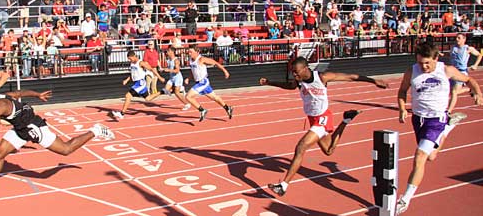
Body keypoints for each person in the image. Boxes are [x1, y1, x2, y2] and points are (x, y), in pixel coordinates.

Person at [262, 57, 389, 196]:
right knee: (328, 151)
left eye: (296, 72)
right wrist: (270, 82)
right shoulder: (299, 81)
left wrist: (373, 81)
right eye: (293, 72)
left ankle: (283, 185)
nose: (294, 75)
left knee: (301, 147)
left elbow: (351, 77)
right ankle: (346, 119)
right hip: (313, 119)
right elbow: (290, 86)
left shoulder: (322, 77)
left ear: (305, 68)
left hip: (323, 118)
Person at [0, 90, 114, 198]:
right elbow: (18, 94)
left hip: (32, 126)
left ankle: (96, 130)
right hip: (20, 128)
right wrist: (37, 95)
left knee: (66, 149)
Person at [395, 42, 482, 214]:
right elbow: (402, 91)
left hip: (436, 119)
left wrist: (477, 92)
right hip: (418, 119)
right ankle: (449, 127)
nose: (424, 66)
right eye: (420, 62)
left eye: (427, 63)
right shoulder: (412, 71)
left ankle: (405, 199)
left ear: (436, 58)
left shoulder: (446, 70)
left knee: (419, 156)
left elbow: (469, 80)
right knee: (431, 156)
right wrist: (402, 108)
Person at [184, 45, 233, 122]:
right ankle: (227, 108)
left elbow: (215, 63)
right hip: (199, 82)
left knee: (188, 96)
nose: (189, 53)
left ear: (197, 52)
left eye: (191, 52)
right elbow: (193, 71)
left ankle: (202, 110)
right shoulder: (191, 60)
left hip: (203, 82)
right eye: (188, 52)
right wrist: (188, 78)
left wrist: (225, 71)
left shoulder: (201, 59)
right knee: (215, 98)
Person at [110, 51, 165, 119]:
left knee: (128, 95)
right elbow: (132, 74)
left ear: (134, 56)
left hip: (140, 83)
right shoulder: (132, 64)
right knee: (148, 98)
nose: (130, 60)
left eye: (130, 59)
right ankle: (162, 91)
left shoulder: (141, 63)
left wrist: (160, 77)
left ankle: (122, 113)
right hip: (137, 83)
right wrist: (127, 80)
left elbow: (152, 69)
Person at [447, 33, 482, 113]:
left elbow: (479, 55)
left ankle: (448, 111)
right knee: (449, 91)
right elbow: (451, 57)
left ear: (464, 39)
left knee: (454, 92)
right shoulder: (453, 48)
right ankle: (469, 89)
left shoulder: (468, 48)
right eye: (456, 38)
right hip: (453, 71)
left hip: (462, 72)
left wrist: (475, 65)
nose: (457, 39)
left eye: (459, 38)